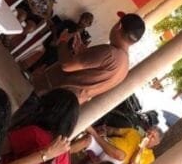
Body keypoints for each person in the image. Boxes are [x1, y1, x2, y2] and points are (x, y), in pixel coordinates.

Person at [13, 12, 146, 124]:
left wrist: (63, 41)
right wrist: (81, 51)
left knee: (17, 124)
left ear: (118, 26)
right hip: (67, 104)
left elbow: (67, 65)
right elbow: (90, 74)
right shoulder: (124, 66)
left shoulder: (110, 52)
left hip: (51, 93)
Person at [23, 11, 94, 72]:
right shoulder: (69, 23)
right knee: (54, 52)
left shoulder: (83, 37)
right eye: (82, 18)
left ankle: (35, 70)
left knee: (60, 57)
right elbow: (54, 27)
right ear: (80, 17)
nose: (82, 21)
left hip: (64, 52)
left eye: (86, 21)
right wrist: (55, 38)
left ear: (89, 24)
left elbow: (77, 49)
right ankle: (34, 70)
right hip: (54, 43)